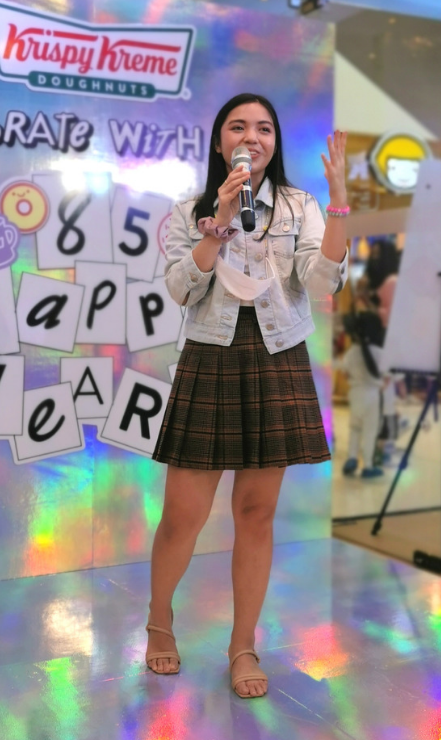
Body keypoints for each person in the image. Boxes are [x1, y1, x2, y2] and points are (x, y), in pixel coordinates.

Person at [146, 93, 348, 699]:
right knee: (183, 515)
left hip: (278, 357)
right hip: (210, 356)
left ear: (274, 143)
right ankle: (159, 620)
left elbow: (321, 281)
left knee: (256, 514)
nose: (251, 137)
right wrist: (219, 221)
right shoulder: (190, 210)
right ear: (220, 143)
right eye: (238, 127)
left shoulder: (300, 205)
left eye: (263, 128)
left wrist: (339, 202)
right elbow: (181, 289)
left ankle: (243, 644)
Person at [338, 310, 385, 478]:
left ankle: (351, 458)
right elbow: (386, 376)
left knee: (355, 428)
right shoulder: (379, 353)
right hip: (372, 395)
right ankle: (368, 466)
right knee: (370, 432)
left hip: (355, 394)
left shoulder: (351, 352)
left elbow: (345, 374)